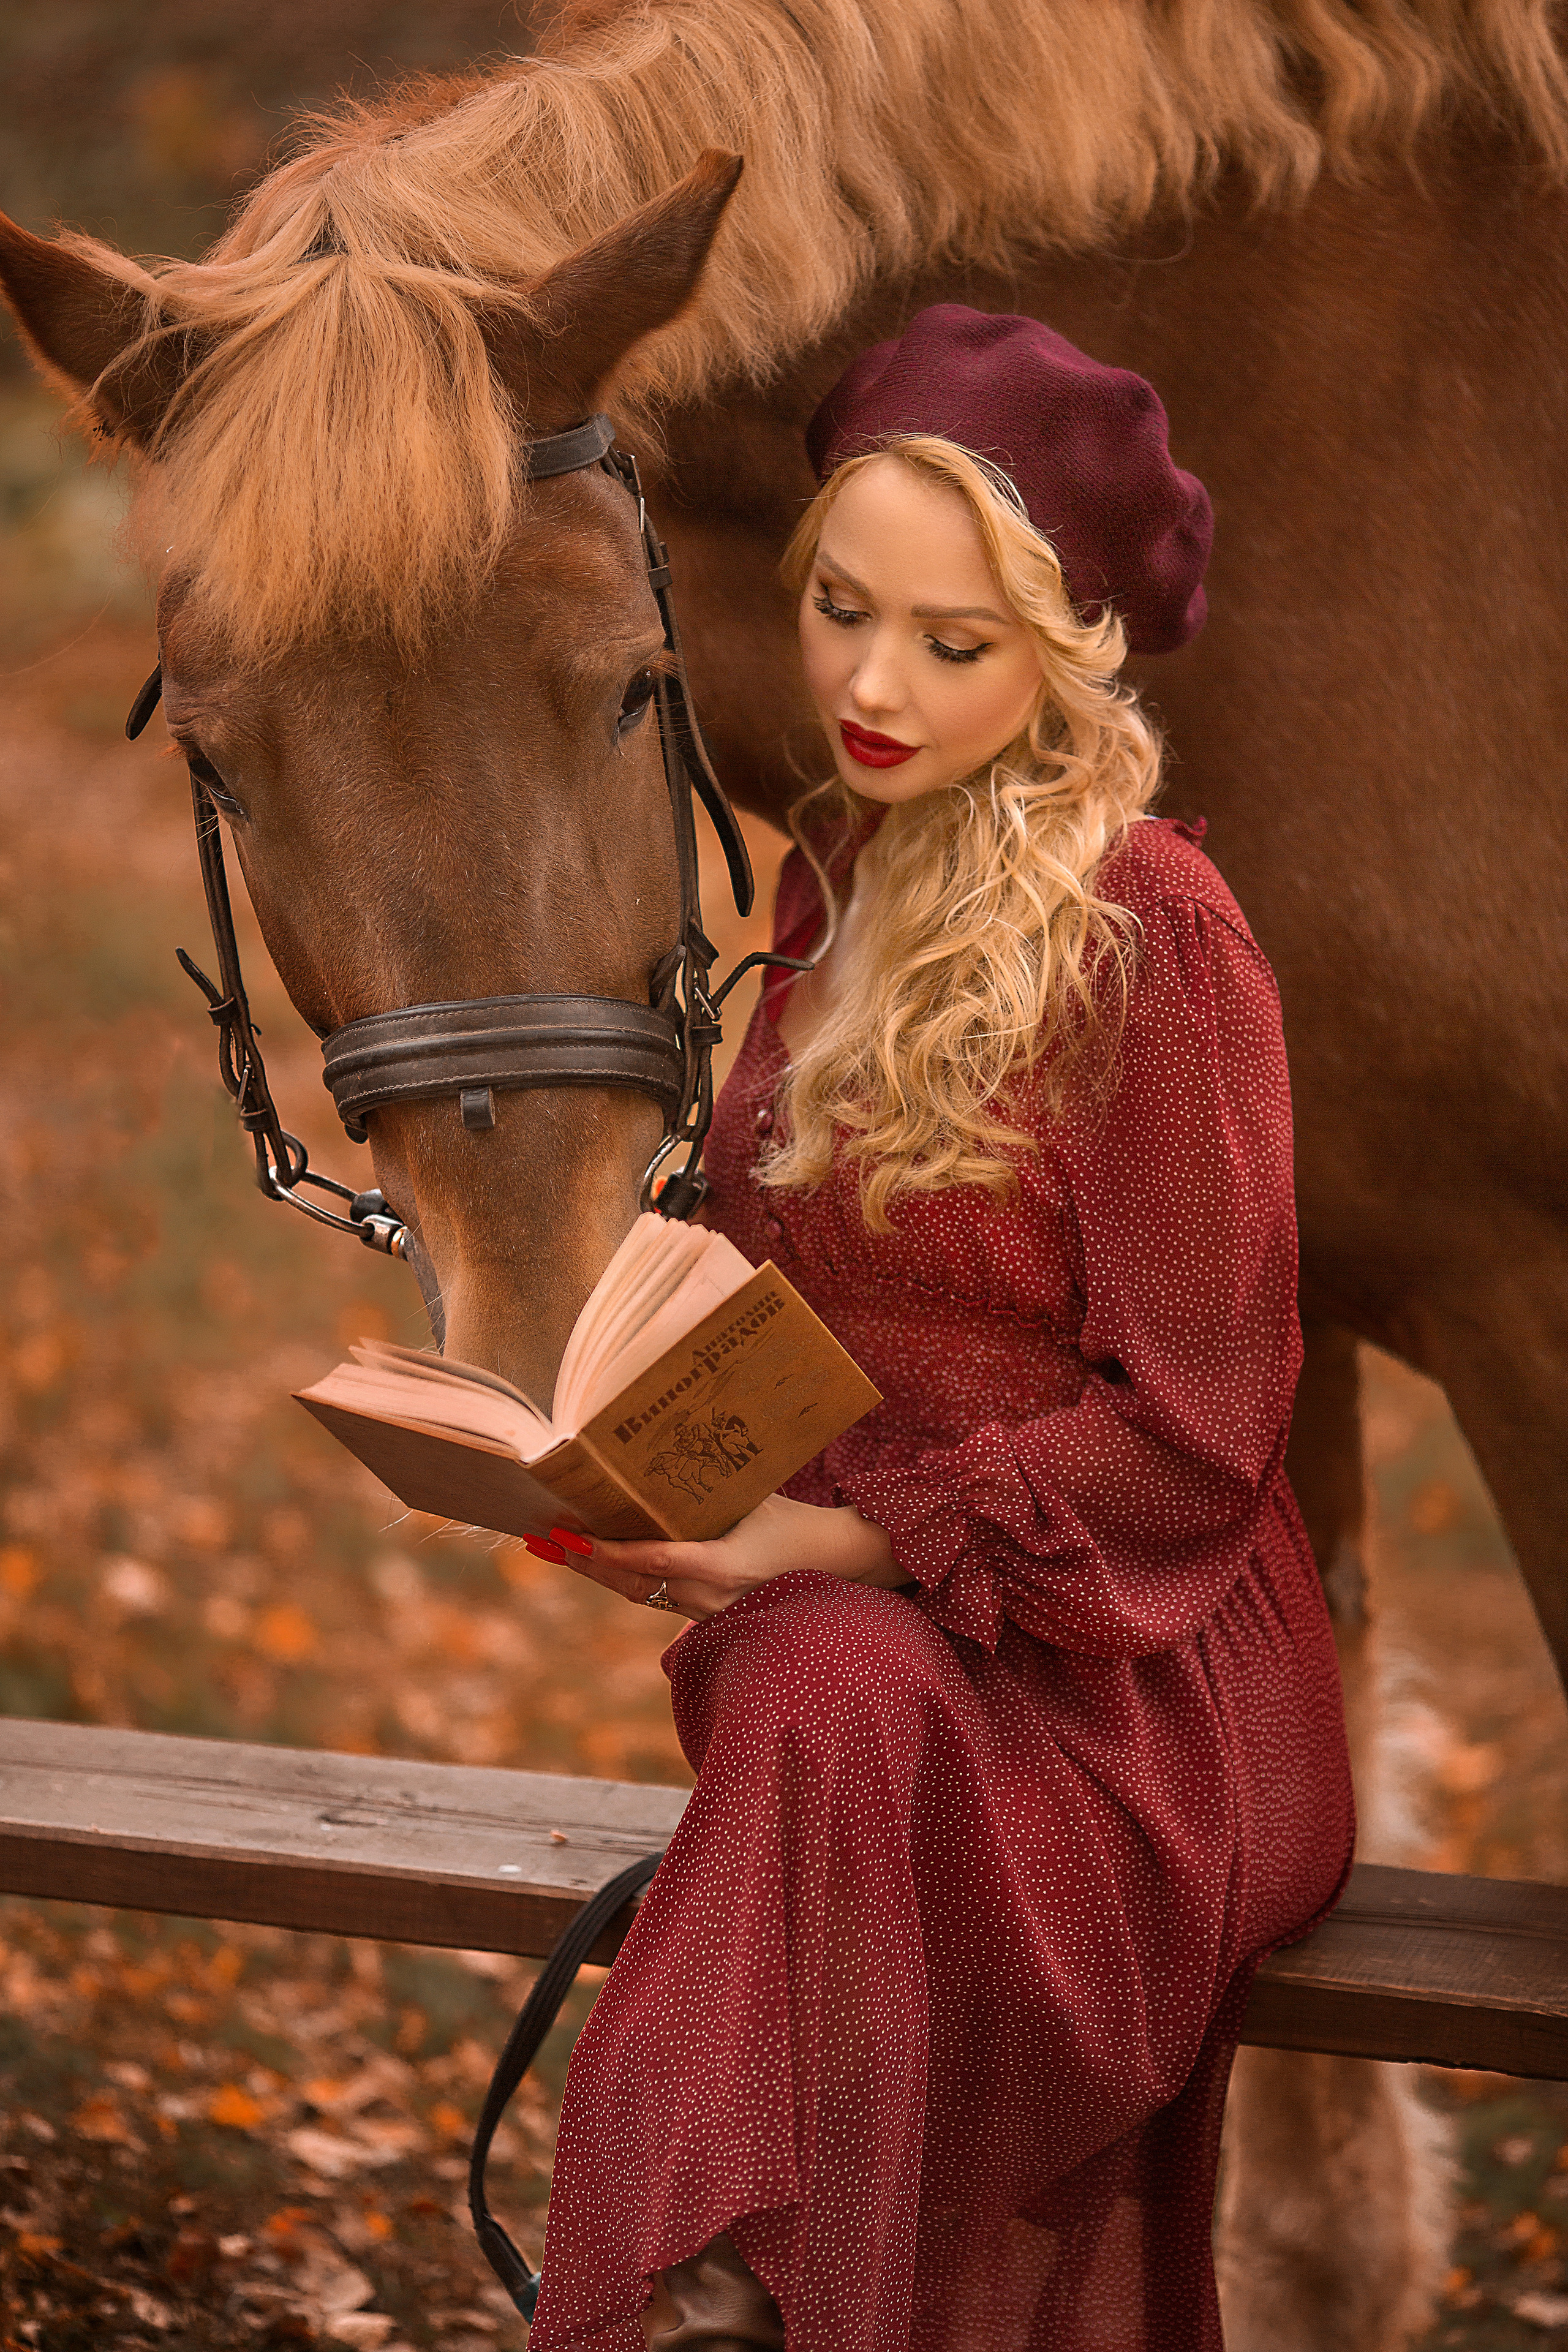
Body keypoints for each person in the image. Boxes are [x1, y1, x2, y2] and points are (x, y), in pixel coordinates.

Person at [522, 306, 1354, 2352]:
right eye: (838, 610)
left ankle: (686, 2283)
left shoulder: (1150, 931)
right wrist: (633, 1420)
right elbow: (818, 1307)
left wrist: (841, 1538)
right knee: (824, 1680)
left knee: (819, 1678)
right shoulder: (829, 883)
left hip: (1142, 1659)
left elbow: (1203, 1430)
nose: (873, 688)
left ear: (1064, 656)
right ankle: (784, 2278)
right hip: (881, 1643)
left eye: (954, 645)